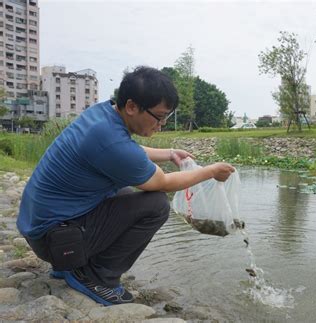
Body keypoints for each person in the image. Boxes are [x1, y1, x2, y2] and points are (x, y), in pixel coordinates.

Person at [16, 66, 235, 306]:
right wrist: (211, 171)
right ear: (132, 107)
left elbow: (129, 151)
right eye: (159, 117)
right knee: (156, 205)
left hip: (46, 229)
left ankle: (74, 263)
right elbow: (163, 182)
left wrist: (170, 153)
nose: (161, 124)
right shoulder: (109, 140)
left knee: (127, 194)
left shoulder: (102, 117)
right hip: (53, 240)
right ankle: (94, 276)